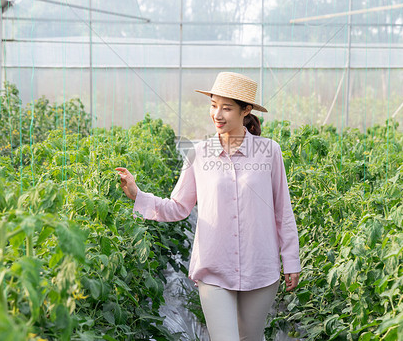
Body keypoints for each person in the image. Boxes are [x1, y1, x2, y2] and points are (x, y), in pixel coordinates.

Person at [116, 72, 301, 341]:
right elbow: (178, 206)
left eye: (226, 108)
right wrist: (137, 195)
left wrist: (291, 259)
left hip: (260, 267)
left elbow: (282, 209)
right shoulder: (198, 154)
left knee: (251, 337)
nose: (218, 114)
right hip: (214, 268)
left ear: (245, 110)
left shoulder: (269, 151)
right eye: (214, 105)